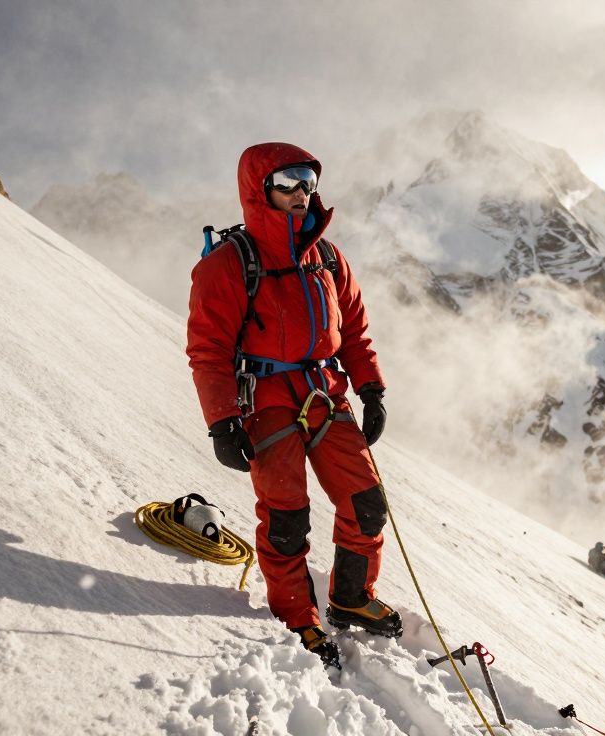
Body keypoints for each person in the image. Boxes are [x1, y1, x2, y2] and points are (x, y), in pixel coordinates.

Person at [186, 142, 401, 669]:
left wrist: (371, 388)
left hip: (326, 394)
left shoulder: (327, 256)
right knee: (287, 518)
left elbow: (353, 330)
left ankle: (350, 598)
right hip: (265, 402)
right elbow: (208, 351)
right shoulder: (229, 265)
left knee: (366, 502)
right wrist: (221, 422)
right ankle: (296, 615)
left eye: (308, 180)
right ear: (260, 189)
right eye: (288, 182)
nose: (302, 192)